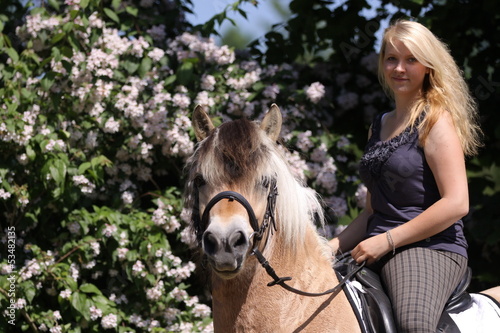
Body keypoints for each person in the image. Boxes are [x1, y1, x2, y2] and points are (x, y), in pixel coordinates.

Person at [329, 19, 483, 332]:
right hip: (374, 246)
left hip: (430, 249)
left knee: (413, 325)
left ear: (428, 66)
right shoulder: (379, 125)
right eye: (392, 59)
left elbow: (457, 203)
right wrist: (326, 249)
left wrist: (387, 240)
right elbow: (373, 212)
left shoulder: (436, 122)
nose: (400, 68)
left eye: (411, 59)